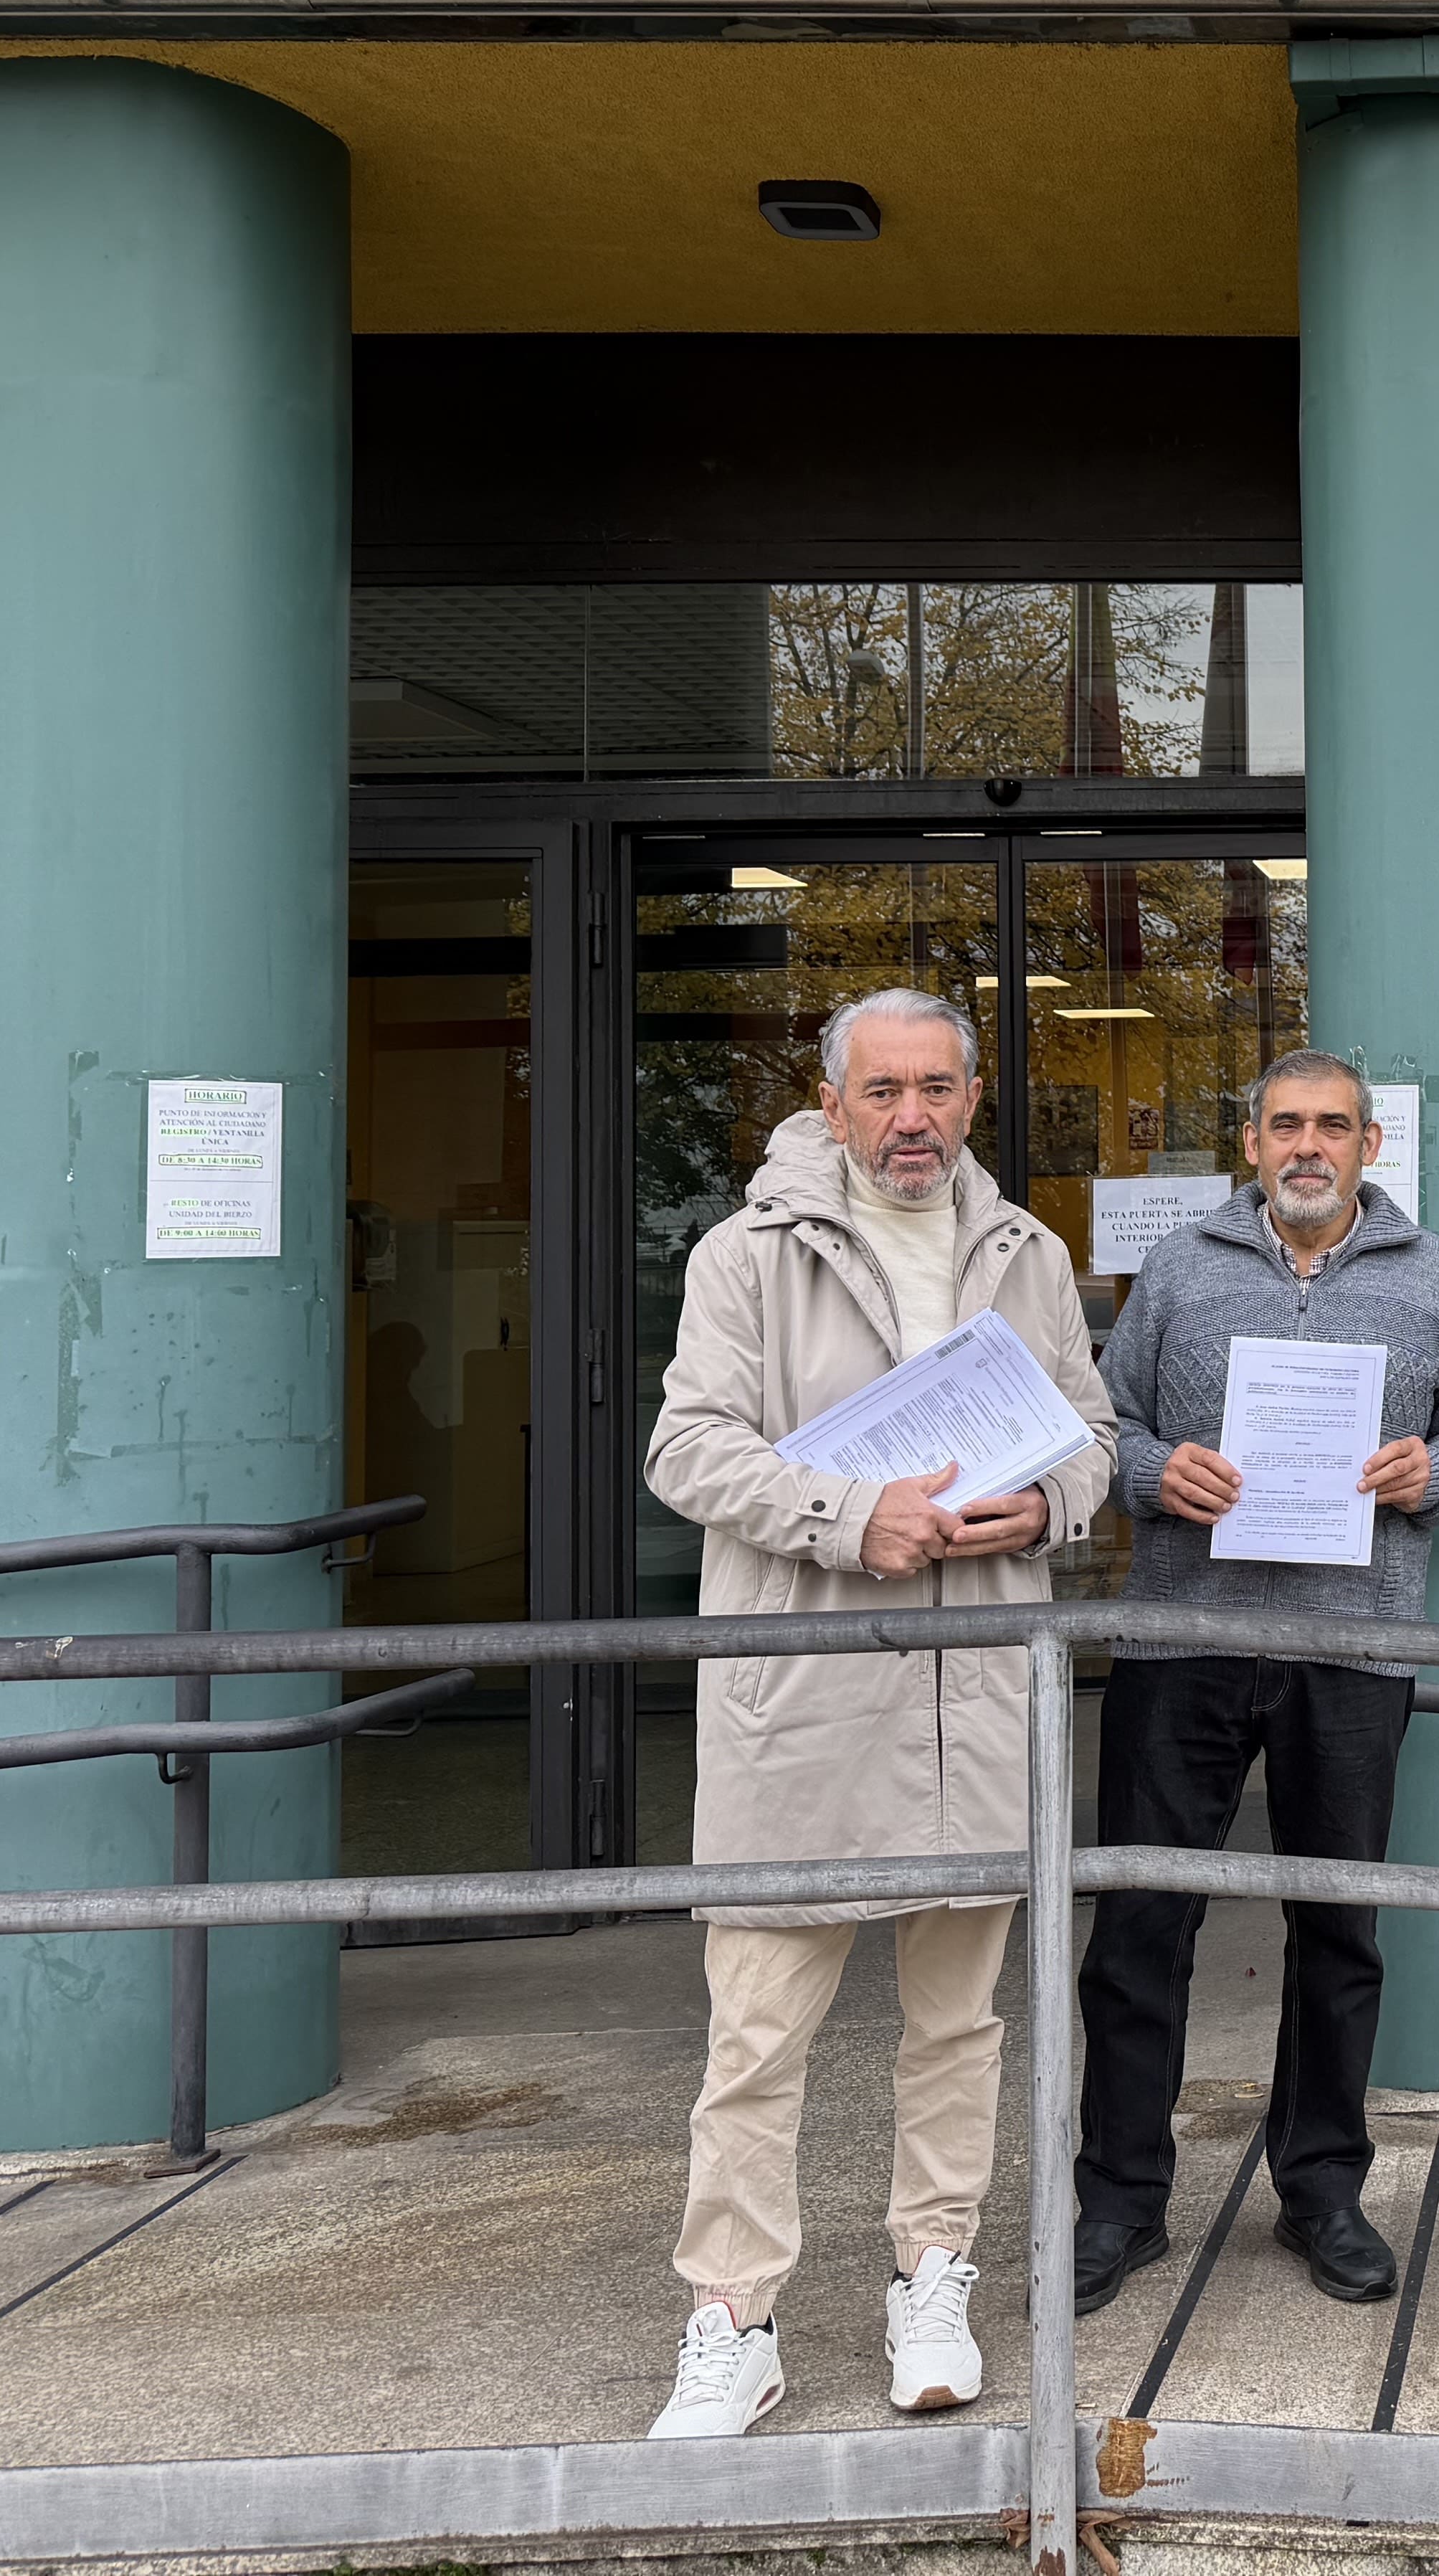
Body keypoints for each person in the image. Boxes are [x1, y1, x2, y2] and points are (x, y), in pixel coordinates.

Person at [634, 986, 1118, 2441]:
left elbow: (1092, 1437)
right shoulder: (747, 1255)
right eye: (885, 1092)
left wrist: (1051, 1502)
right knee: (756, 2037)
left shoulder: (1030, 1254)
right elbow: (687, 1449)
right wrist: (854, 1516)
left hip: (980, 1697)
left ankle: (934, 2280)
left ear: (973, 1099)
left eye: (938, 1090)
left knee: (959, 2025)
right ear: (832, 1101)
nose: (914, 1119)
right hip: (808, 1696)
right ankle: (732, 2319)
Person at [1072, 1048, 1439, 2314]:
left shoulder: (1435, 1276)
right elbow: (1104, 1425)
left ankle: (1321, 2190)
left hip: (1353, 1652)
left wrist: (1436, 1476)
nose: (1307, 1146)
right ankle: (1120, 2201)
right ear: (1252, 1143)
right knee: (1142, 1928)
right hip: (1182, 1643)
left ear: (1370, 1145)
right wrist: (1155, 1474)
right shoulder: (1180, 1268)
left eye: (1331, 1125)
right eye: (1285, 1125)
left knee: (1338, 1933)